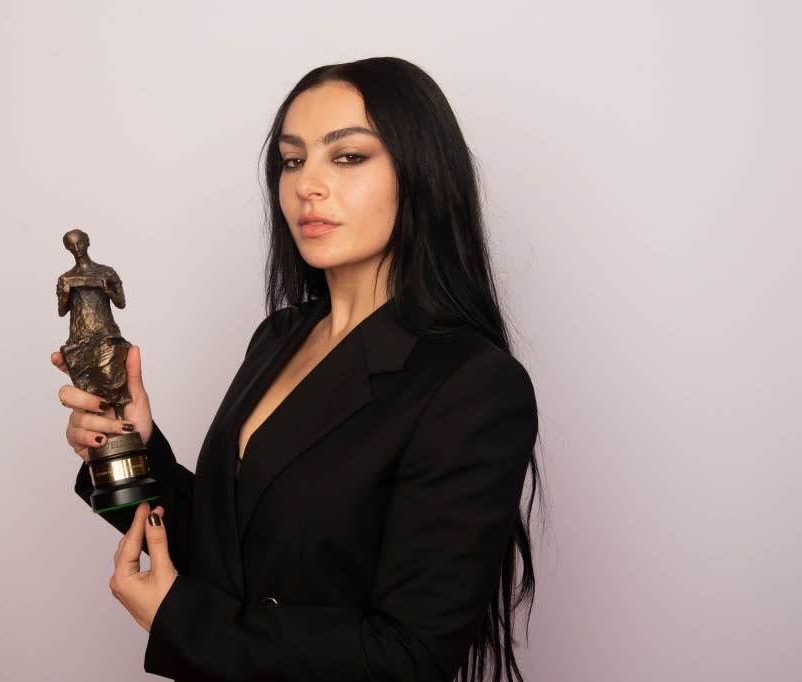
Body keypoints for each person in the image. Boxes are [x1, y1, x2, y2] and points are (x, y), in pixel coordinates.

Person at [53, 56, 542, 682]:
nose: (307, 184)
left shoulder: (472, 383)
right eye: (291, 160)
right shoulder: (281, 336)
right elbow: (228, 549)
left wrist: (184, 620)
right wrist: (121, 446)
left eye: (347, 157)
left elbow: (407, 657)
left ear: (420, 173)